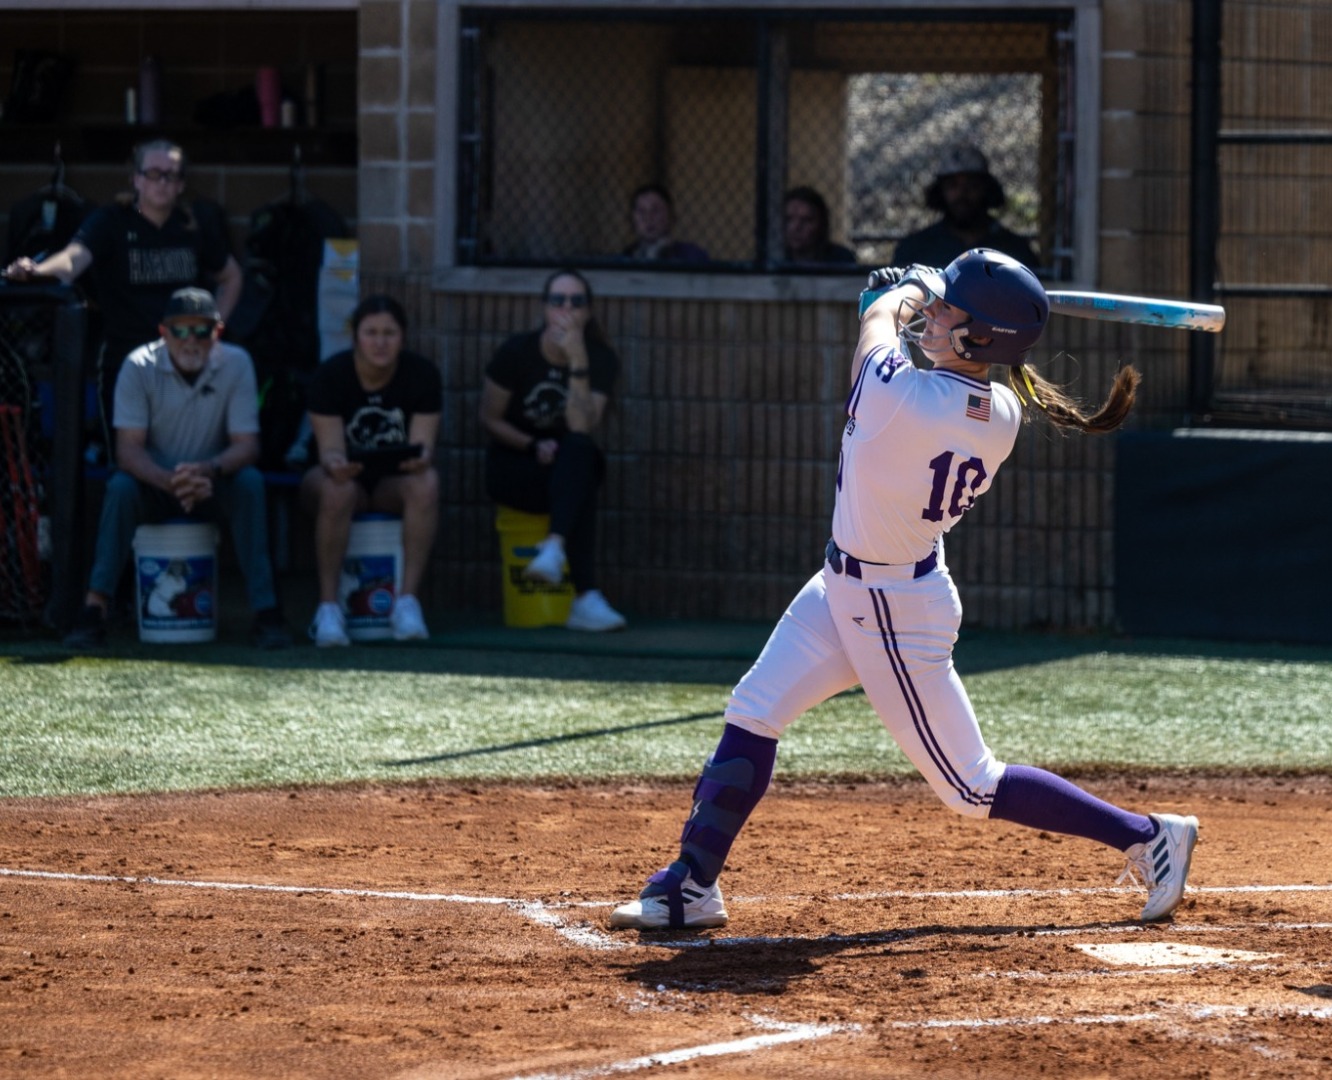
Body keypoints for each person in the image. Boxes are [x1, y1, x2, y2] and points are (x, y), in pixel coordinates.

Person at [609, 248, 1198, 932]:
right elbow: (897, 334)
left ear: (980, 337)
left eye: (950, 311)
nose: (934, 316)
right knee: (754, 708)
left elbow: (878, 325)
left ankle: (1149, 836)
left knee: (971, 786)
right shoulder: (1000, 408)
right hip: (851, 585)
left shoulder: (903, 400)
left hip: (891, 608)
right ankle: (691, 884)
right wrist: (930, 298)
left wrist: (908, 289)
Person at [61, 288, 289, 650]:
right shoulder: (138, 365)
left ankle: (267, 613)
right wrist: (170, 481)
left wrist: (208, 471)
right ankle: (94, 609)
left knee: (250, 482)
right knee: (120, 488)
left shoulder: (237, 364)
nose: (191, 340)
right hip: (155, 484)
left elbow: (247, 445)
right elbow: (128, 451)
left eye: (201, 331)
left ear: (217, 333)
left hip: (213, 482)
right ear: (163, 333)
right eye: (181, 330)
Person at [3, 139, 243, 430]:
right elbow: (72, 260)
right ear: (136, 178)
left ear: (181, 184)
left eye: (172, 175)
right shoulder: (111, 222)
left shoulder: (192, 226)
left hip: (185, 362)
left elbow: (231, 276)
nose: (162, 182)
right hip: (127, 362)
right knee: (129, 459)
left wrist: (212, 332)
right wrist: (37, 270)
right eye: (153, 173)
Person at [477, 269, 627, 632]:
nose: (566, 309)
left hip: (564, 470)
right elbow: (488, 418)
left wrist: (577, 359)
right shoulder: (516, 352)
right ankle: (585, 595)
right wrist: (532, 443)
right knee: (581, 475)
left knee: (579, 452)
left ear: (588, 311)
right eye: (558, 300)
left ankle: (555, 549)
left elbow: (581, 425)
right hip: (515, 466)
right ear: (544, 307)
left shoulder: (599, 357)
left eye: (576, 302)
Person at [301, 295, 443, 646]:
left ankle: (407, 604)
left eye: (389, 333)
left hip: (390, 482)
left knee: (427, 482)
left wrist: (420, 459)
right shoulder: (330, 376)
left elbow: (423, 446)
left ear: (403, 337)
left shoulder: (422, 375)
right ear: (356, 337)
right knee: (338, 490)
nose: (380, 342)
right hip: (335, 480)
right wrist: (336, 464)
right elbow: (329, 450)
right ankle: (328, 609)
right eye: (371, 332)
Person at [891, 145, 1040, 272]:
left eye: (972, 185)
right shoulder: (915, 249)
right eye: (952, 186)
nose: (962, 194)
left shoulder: (1013, 249)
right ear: (940, 191)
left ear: (987, 189)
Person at [620, 184, 708, 263]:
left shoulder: (692, 256)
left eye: (656, 210)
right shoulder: (625, 259)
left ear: (670, 216)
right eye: (641, 211)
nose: (648, 218)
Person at [782, 186, 856, 267]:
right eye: (788, 219)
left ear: (821, 224)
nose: (795, 227)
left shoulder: (841, 259)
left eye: (806, 220)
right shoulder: (774, 257)